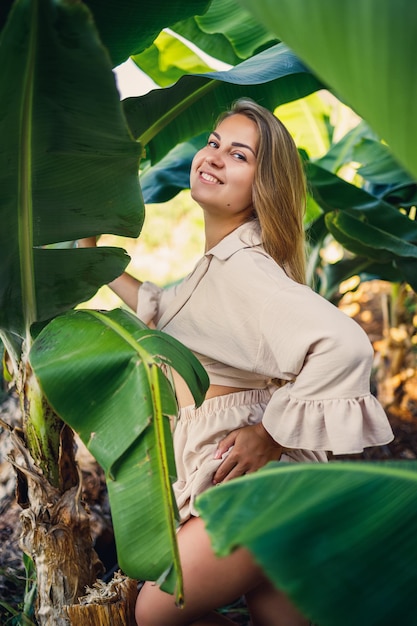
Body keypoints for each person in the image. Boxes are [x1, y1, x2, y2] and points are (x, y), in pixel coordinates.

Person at [79, 98, 394, 626]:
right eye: (213, 142)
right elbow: (170, 318)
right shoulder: (223, 264)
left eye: (239, 154)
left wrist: (269, 435)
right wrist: (97, 255)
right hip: (252, 480)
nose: (215, 156)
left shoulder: (248, 270)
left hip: (259, 483)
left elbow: (346, 344)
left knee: (154, 615)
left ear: (262, 187)